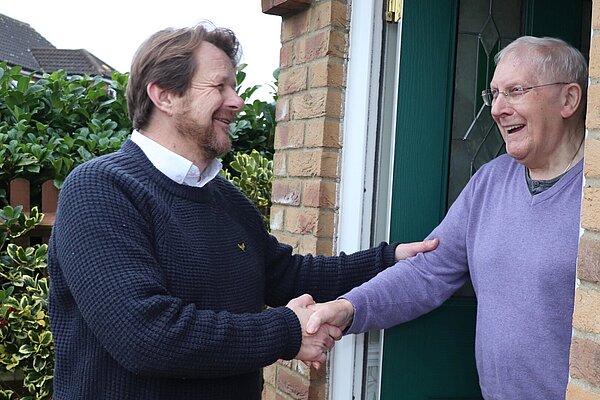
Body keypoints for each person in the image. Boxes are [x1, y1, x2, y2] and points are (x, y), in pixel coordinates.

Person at [47, 21, 437, 400]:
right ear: (163, 95)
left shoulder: (223, 197)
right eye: (219, 86)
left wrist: (393, 258)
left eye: (234, 86)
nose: (237, 101)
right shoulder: (101, 188)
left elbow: (285, 275)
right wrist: (288, 330)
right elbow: (145, 335)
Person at [306, 36, 587, 400]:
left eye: (515, 91)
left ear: (568, 99)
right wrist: (347, 308)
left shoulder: (590, 192)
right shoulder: (490, 181)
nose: (497, 108)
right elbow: (429, 271)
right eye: (493, 95)